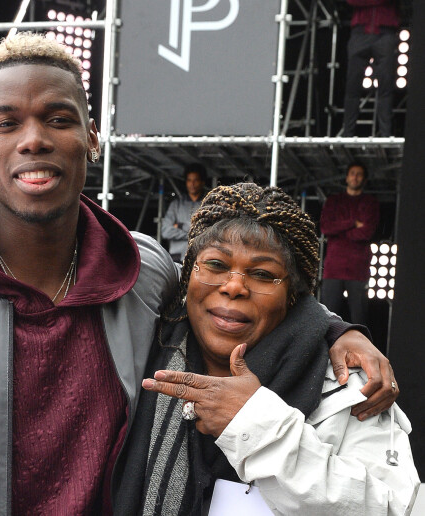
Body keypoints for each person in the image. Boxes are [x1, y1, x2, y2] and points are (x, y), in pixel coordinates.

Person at [0, 33, 397, 515]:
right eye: (7, 122)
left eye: (58, 119)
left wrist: (335, 329)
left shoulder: (144, 270)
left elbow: (237, 293)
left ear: (91, 139)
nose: (33, 138)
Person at [116, 183, 418, 515]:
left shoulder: (351, 388)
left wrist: (257, 427)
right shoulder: (139, 341)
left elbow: (396, 509)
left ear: (294, 295)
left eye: (262, 274)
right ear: (190, 273)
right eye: (216, 265)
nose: (233, 286)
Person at [342, 0, 409, 137]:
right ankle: (348, 134)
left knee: (386, 86)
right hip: (360, 32)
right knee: (353, 85)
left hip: (386, 33)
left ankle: (386, 134)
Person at [320, 162, 380, 326]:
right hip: (333, 268)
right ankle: (325, 352)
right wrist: (353, 222)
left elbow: (366, 232)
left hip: (357, 269)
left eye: (359, 174)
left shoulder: (370, 203)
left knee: (359, 319)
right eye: (352, 173)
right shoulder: (333, 201)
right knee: (328, 319)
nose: (355, 177)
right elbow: (326, 227)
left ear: (364, 180)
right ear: (346, 177)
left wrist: (339, 230)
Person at [162, 163, 207, 262]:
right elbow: (165, 231)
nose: (192, 184)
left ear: (202, 182)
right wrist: (193, 233)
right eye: (189, 180)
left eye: (196, 180)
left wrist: (180, 226)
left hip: (200, 257)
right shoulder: (176, 205)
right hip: (177, 258)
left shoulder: (208, 205)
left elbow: (208, 231)